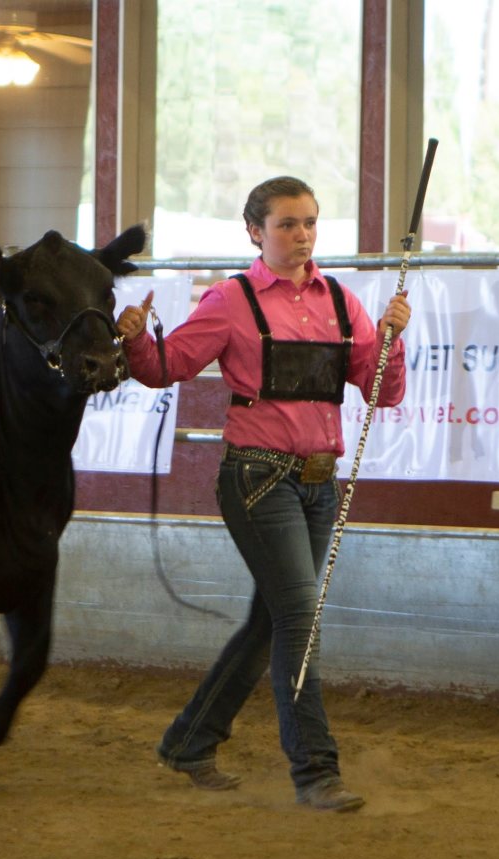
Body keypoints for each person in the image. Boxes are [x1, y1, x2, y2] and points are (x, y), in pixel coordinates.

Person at [117, 176, 411, 813]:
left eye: (310, 222)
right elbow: (166, 366)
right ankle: (316, 772)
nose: (302, 235)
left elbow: (381, 392)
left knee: (272, 621)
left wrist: (392, 340)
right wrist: (136, 336)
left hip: (319, 482)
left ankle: (189, 742)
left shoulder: (342, 302)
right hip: (257, 477)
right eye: (287, 224)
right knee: (299, 620)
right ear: (255, 231)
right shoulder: (230, 300)